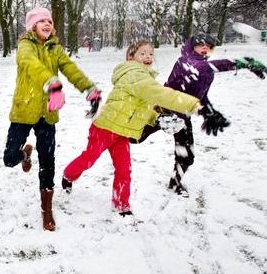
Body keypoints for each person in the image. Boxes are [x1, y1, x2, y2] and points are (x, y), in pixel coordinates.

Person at [62, 40, 200, 215]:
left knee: (124, 169)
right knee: (89, 158)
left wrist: (157, 118)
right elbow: (161, 94)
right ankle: (68, 175)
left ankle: (121, 204)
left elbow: (144, 108)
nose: (148, 57)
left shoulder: (145, 79)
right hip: (104, 127)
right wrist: (190, 104)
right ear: (131, 57)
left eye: (150, 53)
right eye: (142, 53)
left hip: (122, 133)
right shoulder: (134, 74)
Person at [132, 33, 267, 195]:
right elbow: (201, 68)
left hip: (181, 117)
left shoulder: (207, 71)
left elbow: (200, 95)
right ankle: (108, 135)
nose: (205, 48)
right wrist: (243, 63)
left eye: (208, 45)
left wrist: (209, 112)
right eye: (200, 45)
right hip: (163, 110)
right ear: (192, 47)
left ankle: (174, 183)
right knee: (134, 137)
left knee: (186, 157)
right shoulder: (185, 62)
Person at [3, 7, 101, 231]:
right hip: (24, 110)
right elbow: (30, 64)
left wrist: (89, 89)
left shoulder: (55, 48)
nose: (47, 24)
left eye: (49, 20)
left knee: (48, 161)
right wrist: (52, 83)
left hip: (48, 113)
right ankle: (25, 154)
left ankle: (46, 209)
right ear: (32, 26)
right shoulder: (25, 46)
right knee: (9, 159)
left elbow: (70, 69)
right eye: (41, 21)